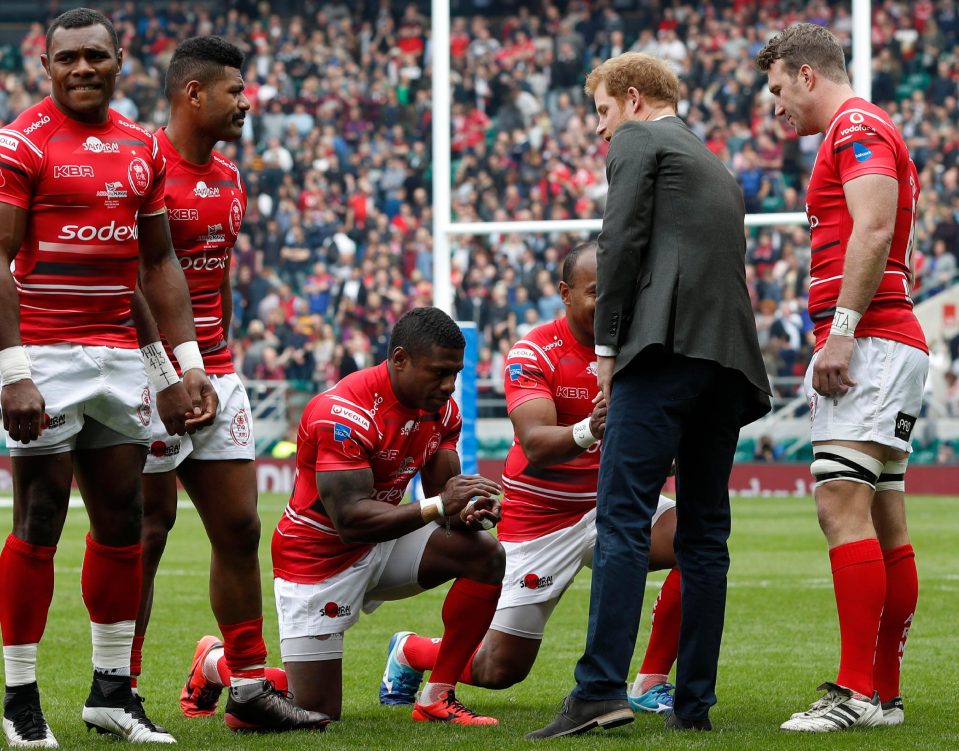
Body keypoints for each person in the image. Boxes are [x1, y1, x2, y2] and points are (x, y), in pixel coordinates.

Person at [530, 52, 770, 739]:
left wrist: (605, 351)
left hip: (661, 349)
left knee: (624, 518)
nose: (602, 131)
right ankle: (692, 703)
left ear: (632, 98)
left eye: (602, 111)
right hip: (726, 362)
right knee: (704, 534)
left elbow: (620, 240)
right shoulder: (713, 162)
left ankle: (599, 689)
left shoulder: (640, 138)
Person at [0, 8, 219, 747]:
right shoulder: (20, 142)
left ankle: (110, 694)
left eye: (96, 55)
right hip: (46, 357)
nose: (83, 68)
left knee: (124, 519)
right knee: (38, 519)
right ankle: (20, 700)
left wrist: (180, 369)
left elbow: (157, 265)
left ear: (120, 58)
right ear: (48, 66)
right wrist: (14, 372)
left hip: (122, 357)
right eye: (69, 59)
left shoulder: (140, 148)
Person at [378, 242, 682, 715]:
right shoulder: (536, 350)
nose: (610, 305)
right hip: (541, 520)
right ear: (565, 293)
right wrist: (590, 428)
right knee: (500, 670)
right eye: (596, 293)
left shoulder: (639, 348)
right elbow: (537, 445)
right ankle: (412, 650)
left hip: (613, 503)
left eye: (617, 292)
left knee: (696, 539)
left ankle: (649, 681)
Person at [130, 36, 328, 733]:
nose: (246, 102)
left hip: (217, 373)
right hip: (151, 378)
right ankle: (120, 685)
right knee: (147, 531)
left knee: (241, 527)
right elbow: (130, 282)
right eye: (235, 91)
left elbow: (223, 280)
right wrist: (168, 373)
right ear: (193, 94)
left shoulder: (232, 179)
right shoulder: (143, 168)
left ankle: (246, 685)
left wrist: (220, 363)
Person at [189, 307, 507, 726]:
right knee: (317, 710)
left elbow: (444, 501)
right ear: (399, 359)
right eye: (438, 372)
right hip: (318, 556)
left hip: (384, 540)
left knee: (484, 553)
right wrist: (441, 506)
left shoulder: (441, 410)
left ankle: (437, 696)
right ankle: (213, 663)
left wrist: (473, 511)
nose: (449, 385)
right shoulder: (341, 412)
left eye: (455, 373)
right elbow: (350, 519)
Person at [756, 24, 928, 732]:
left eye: (775, 91)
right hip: (888, 337)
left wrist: (841, 331)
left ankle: (855, 690)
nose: (774, 109)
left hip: (873, 340)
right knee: (883, 515)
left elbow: (873, 224)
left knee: (838, 505)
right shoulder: (861, 128)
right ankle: (880, 693)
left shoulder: (855, 126)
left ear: (805, 74)